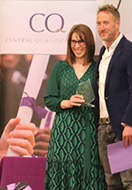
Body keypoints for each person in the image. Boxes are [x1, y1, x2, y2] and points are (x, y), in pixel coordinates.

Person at [44, 24, 107, 190]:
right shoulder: (60, 67)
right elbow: (49, 99)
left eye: (81, 41)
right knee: (62, 172)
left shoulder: (98, 69)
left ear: (89, 43)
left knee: (90, 170)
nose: (77, 45)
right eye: (73, 41)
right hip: (64, 131)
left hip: (90, 129)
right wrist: (66, 102)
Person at [94, 4, 132, 190]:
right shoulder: (103, 52)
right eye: (99, 23)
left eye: (106, 23)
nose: (102, 27)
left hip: (124, 129)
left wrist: (129, 123)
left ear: (117, 24)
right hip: (103, 128)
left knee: (130, 182)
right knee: (113, 184)